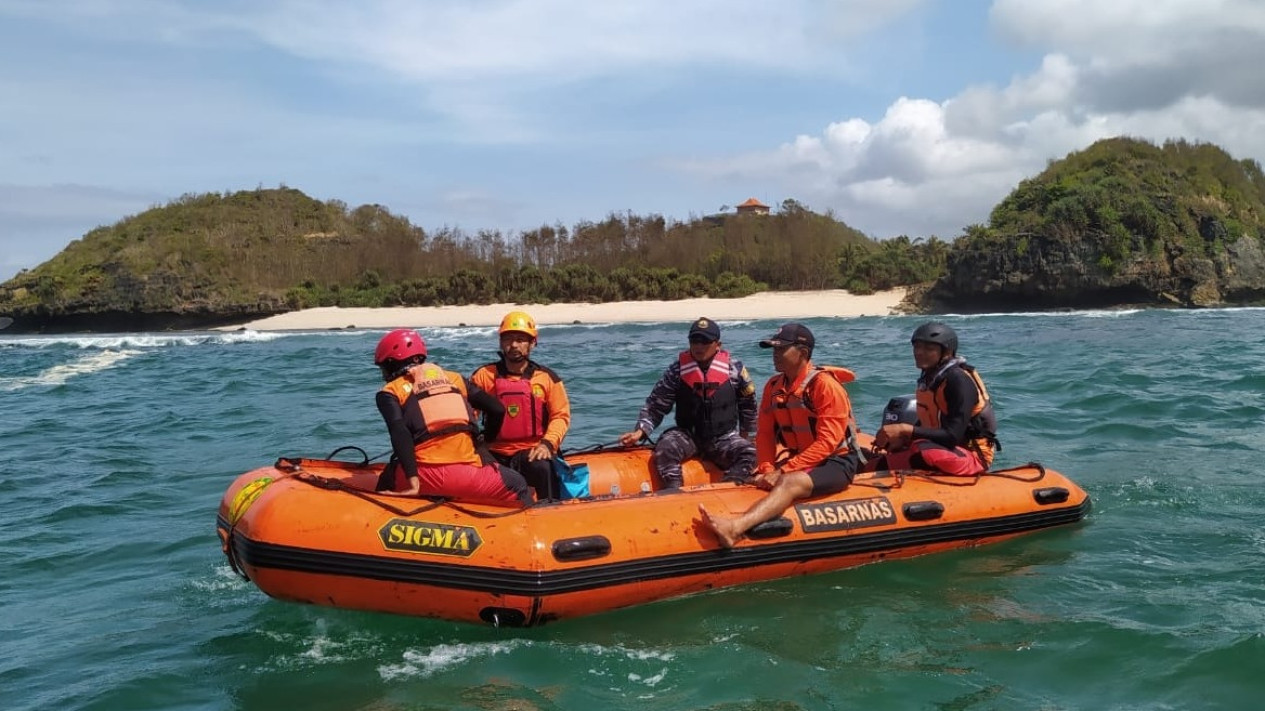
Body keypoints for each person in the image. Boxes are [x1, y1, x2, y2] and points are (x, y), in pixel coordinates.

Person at [698, 323, 861, 547]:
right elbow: (764, 434)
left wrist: (783, 471)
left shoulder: (825, 386)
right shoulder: (773, 386)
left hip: (836, 462)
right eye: (773, 349)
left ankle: (735, 529)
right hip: (799, 458)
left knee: (789, 483)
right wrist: (766, 469)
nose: (775, 355)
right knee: (756, 476)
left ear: (802, 353)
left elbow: (827, 444)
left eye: (780, 349)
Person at [373, 328, 533, 505]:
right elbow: (497, 409)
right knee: (518, 483)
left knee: (388, 477)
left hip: (425, 476)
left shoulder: (390, 391)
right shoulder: (456, 379)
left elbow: (399, 431)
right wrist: (486, 442)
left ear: (392, 363)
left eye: (384, 368)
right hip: (470, 477)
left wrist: (413, 482)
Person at [617, 317, 757, 488]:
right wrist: (641, 431)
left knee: (749, 453)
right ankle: (675, 490)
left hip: (723, 438)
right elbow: (656, 405)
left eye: (705, 341)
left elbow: (748, 406)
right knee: (666, 448)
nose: (699, 346)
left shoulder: (735, 370)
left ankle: (728, 487)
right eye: (694, 341)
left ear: (718, 344)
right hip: (688, 436)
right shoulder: (677, 371)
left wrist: (747, 437)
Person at [866, 321, 999, 476]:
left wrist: (905, 429)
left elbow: (952, 436)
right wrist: (903, 439)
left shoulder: (958, 381)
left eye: (929, 348)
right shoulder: (931, 378)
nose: (919, 352)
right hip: (940, 448)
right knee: (873, 466)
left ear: (947, 353)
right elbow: (928, 421)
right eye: (917, 347)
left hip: (972, 457)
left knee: (923, 449)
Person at [470, 310, 572, 500]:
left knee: (542, 467)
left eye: (520, 339)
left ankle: (551, 512)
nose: (514, 345)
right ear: (501, 342)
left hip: (532, 450)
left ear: (532, 342)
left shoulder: (547, 378)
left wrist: (547, 444)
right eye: (508, 339)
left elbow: (561, 416)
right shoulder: (484, 376)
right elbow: (468, 415)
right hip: (494, 452)